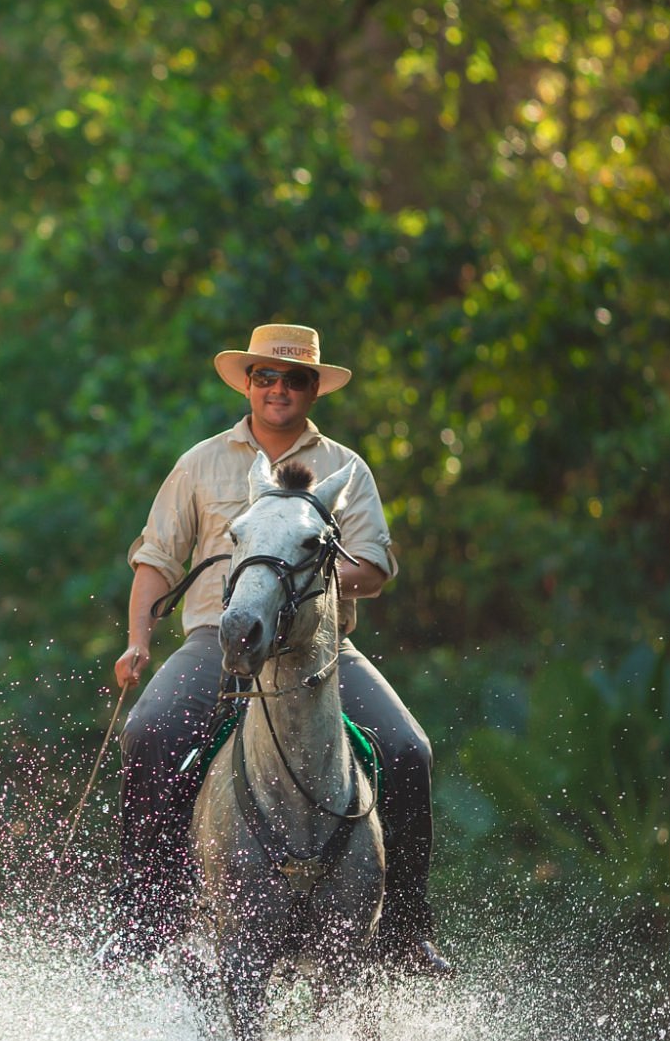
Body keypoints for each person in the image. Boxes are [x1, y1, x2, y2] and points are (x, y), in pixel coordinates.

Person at [101, 323, 453, 976]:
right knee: (148, 733)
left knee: (409, 751)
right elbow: (154, 559)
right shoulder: (201, 463)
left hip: (318, 648)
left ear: (313, 387)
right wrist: (137, 643)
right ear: (248, 382)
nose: (278, 389)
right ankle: (143, 916)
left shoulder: (346, 469)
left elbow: (373, 564)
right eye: (266, 376)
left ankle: (405, 930)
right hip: (218, 636)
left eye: (294, 378)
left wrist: (300, 587)